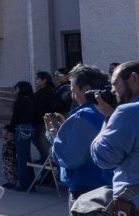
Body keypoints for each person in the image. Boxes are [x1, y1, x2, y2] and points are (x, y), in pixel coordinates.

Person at [46, 64, 111, 210]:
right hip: (112, 188)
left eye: (73, 91)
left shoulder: (83, 116)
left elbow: (68, 158)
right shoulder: (113, 111)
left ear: (86, 89)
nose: (73, 96)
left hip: (86, 191)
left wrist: (56, 138)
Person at [91, 60, 139, 212]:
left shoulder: (127, 112)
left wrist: (107, 116)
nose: (112, 91)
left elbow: (103, 158)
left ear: (134, 79)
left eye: (114, 83)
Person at [9, 81, 36, 191]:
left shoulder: (20, 101)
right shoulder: (32, 100)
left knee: (21, 157)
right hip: (29, 127)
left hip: (20, 128)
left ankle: (23, 183)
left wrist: (10, 130)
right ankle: (31, 182)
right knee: (27, 156)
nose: (14, 91)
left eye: (16, 89)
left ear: (20, 89)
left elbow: (15, 117)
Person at [32, 71, 56, 163]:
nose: (36, 81)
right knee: (43, 147)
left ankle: (46, 172)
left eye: (38, 79)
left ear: (44, 80)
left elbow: (39, 109)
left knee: (42, 147)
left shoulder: (44, 93)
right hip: (44, 122)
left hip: (41, 123)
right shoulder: (50, 91)